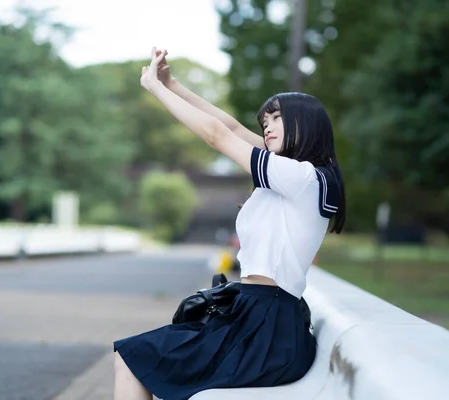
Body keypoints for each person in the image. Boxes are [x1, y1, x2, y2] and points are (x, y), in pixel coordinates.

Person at [113, 48, 346, 400]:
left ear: (305, 122)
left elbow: (217, 137)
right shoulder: (294, 175)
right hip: (259, 317)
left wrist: (154, 89)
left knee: (133, 360)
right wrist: (172, 84)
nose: (267, 127)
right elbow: (232, 128)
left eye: (276, 118)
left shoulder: (302, 177)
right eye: (264, 122)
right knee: (138, 359)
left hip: (264, 327)